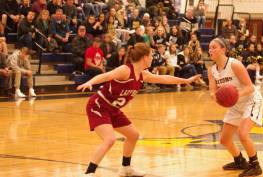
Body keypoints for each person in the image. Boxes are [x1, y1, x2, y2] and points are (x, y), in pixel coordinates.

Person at [77, 42, 201, 176]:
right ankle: (89, 173)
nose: (153, 58)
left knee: (133, 135)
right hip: (99, 106)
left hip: (113, 109)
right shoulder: (126, 70)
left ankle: (125, 168)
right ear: (144, 57)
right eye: (151, 55)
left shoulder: (143, 74)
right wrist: (90, 82)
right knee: (110, 139)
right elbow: (105, 76)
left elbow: (165, 78)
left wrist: (186, 81)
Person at [208, 38, 263, 177]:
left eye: (214, 47)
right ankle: (239, 161)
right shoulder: (212, 70)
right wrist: (215, 97)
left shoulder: (234, 64)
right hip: (236, 104)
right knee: (224, 140)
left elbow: (250, 87)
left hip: (251, 100)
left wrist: (235, 95)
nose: (210, 50)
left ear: (223, 49)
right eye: (209, 48)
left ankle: (255, 165)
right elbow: (213, 91)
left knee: (243, 134)